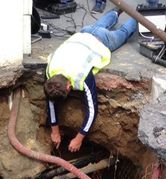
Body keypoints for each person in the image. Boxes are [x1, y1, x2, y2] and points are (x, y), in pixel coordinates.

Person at [44, 9, 137, 152]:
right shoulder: (51, 72)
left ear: (69, 86)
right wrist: (55, 131)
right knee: (97, 26)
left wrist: (79, 138)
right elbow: (50, 101)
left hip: (102, 41)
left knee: (124, 33)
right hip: (84, 33)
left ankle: (139, 14)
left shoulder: (81, 76)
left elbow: (92, 109)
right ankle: (117, 11)